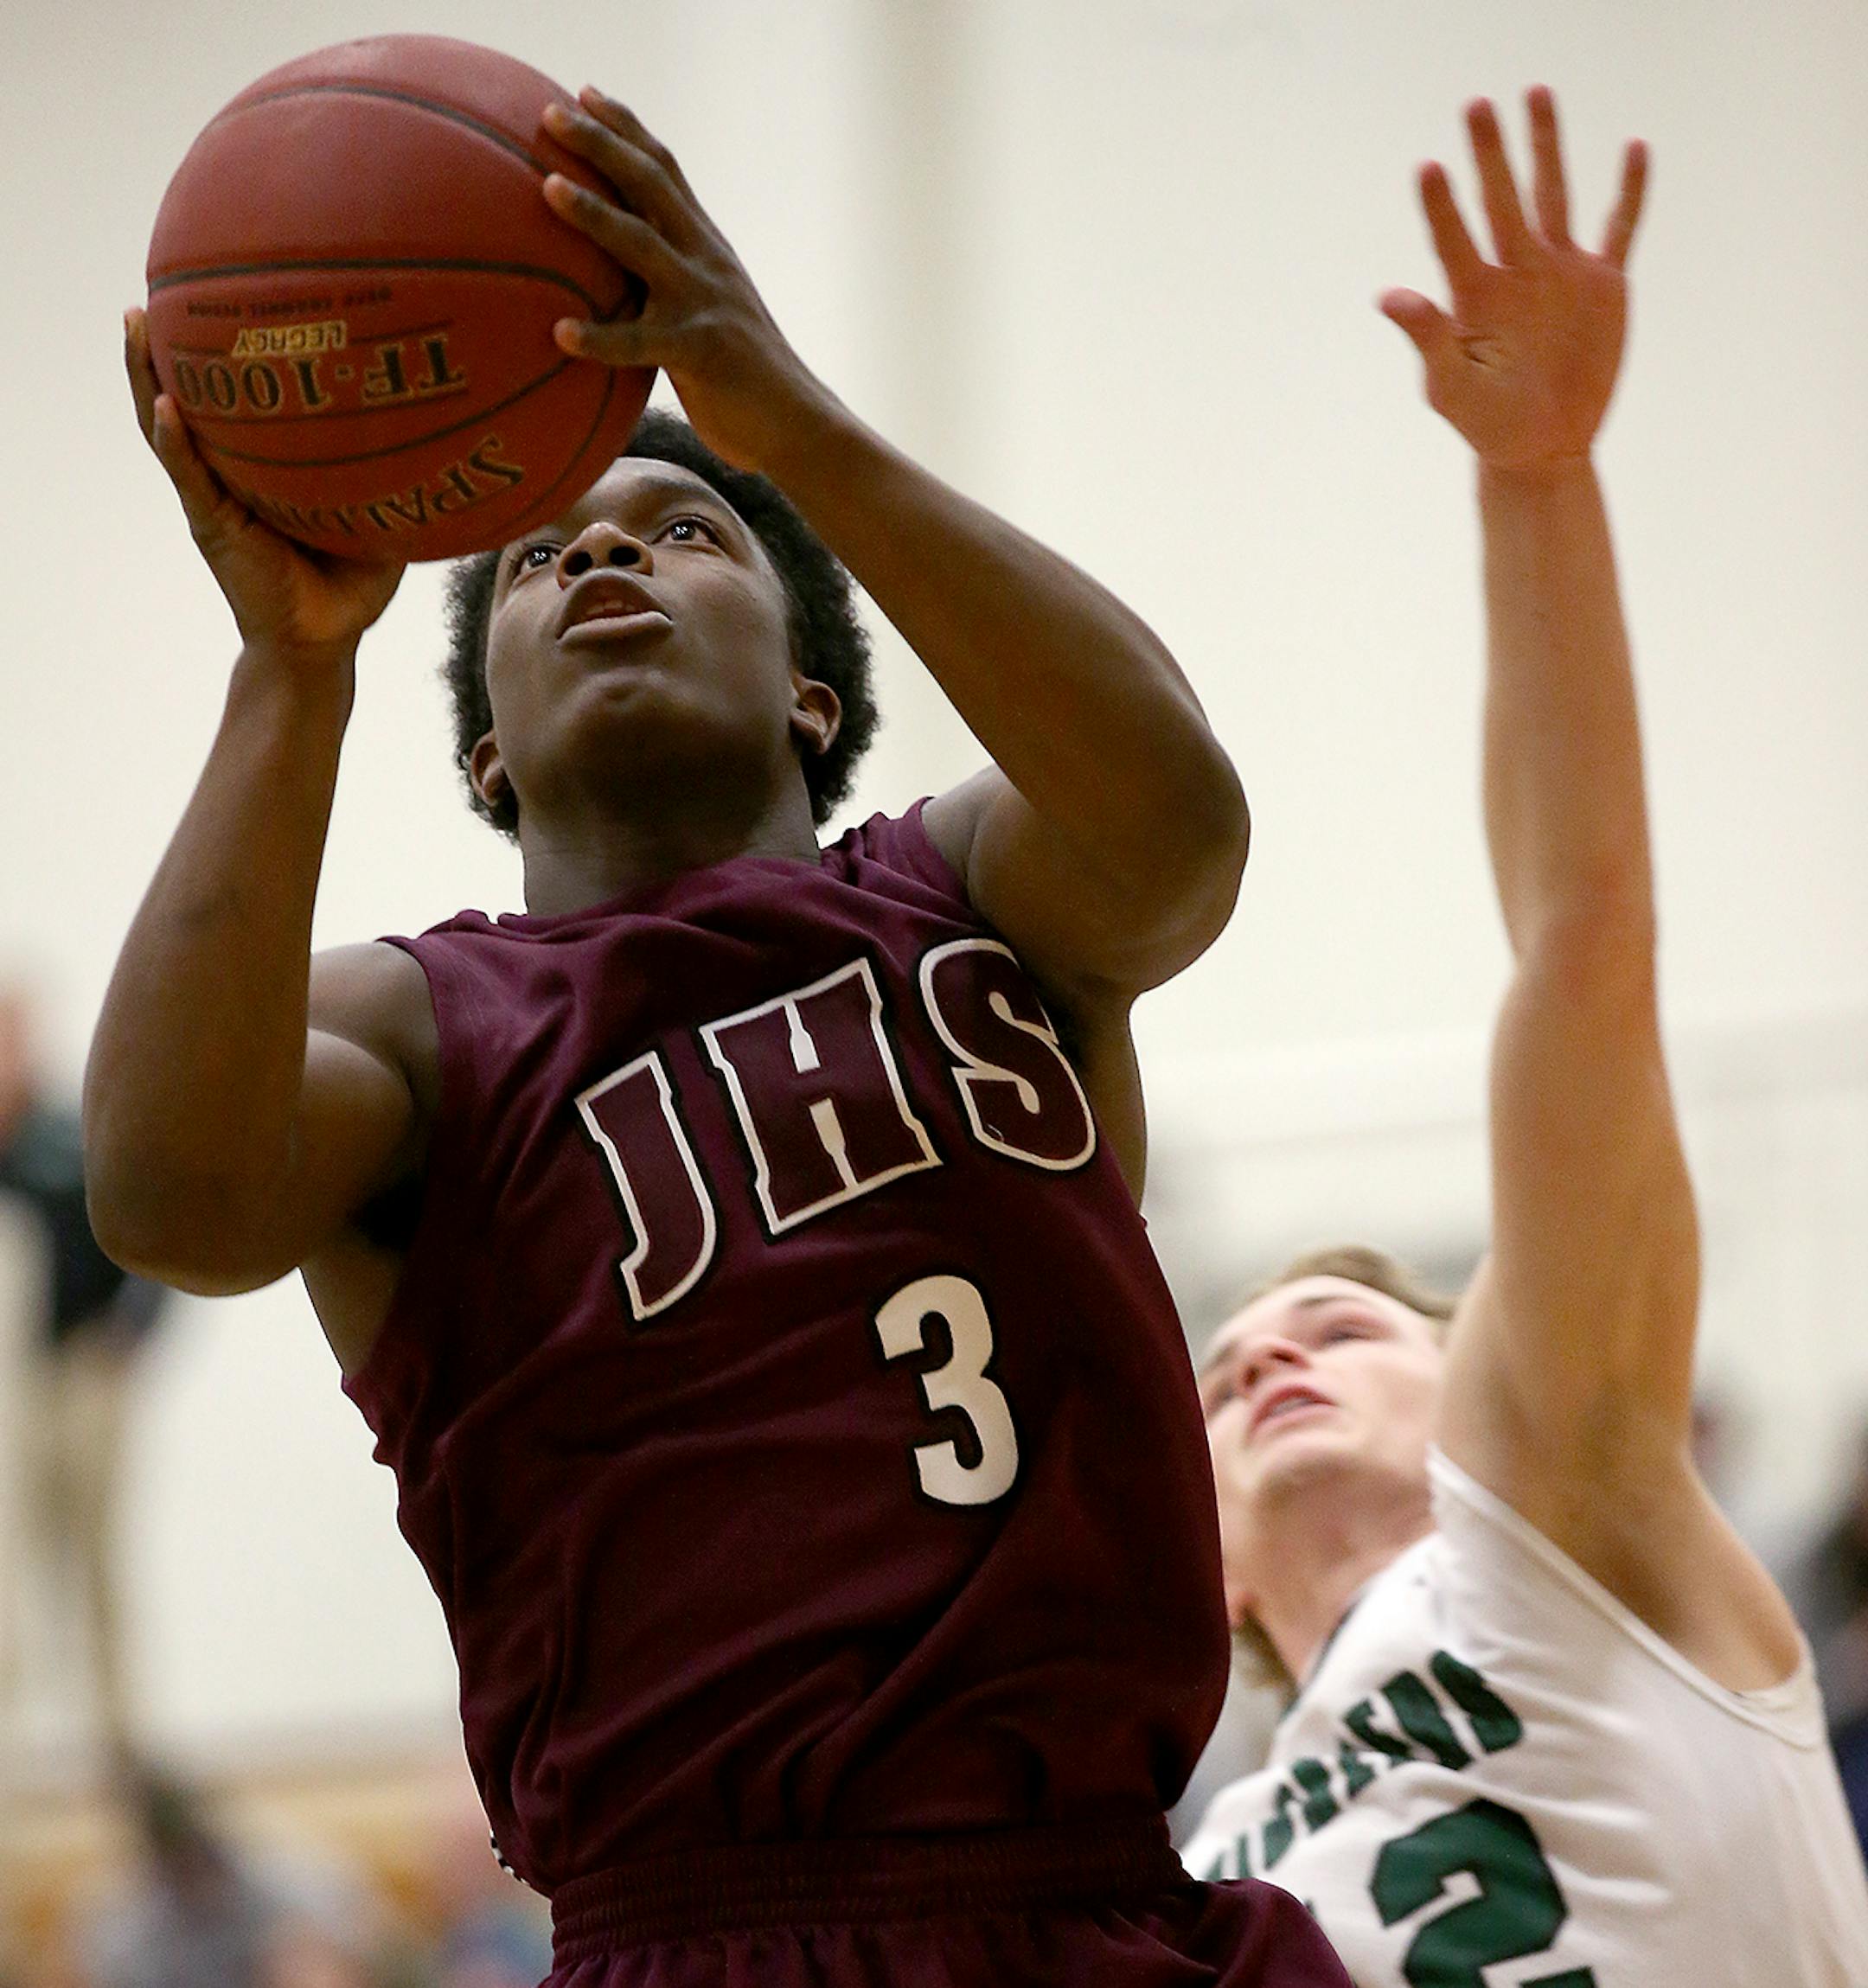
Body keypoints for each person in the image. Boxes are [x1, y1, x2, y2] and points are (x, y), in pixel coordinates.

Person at [87, 82, 1348, 1988]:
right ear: (491, 752)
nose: (601, 558)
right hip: (705, 1935)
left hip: (1112, 1900)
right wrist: (292, 672)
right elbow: (170, 1196)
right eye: (536, 559)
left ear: (819, 701)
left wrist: (787, 421)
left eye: (686, 532)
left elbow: (1183, 824)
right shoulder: (423, 1031)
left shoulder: (979, 892)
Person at [1184, 90, 1868, 1985]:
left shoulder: (1563, 1507)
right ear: (1206, 1564)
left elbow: (1583, 950)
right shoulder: (1206, 1870)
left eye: (1337, 1327)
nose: (1268, 1361)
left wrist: (1536, 485)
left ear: (1478, 1368)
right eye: (1229, 1369)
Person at [0, 983, 167, 1755]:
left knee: (98, 1561)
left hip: (88, 1378)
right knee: (16, 1558)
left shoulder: (72, 1137)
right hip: (19, 1389)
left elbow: (154, 1238)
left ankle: (119, 1741)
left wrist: (129, 1336)